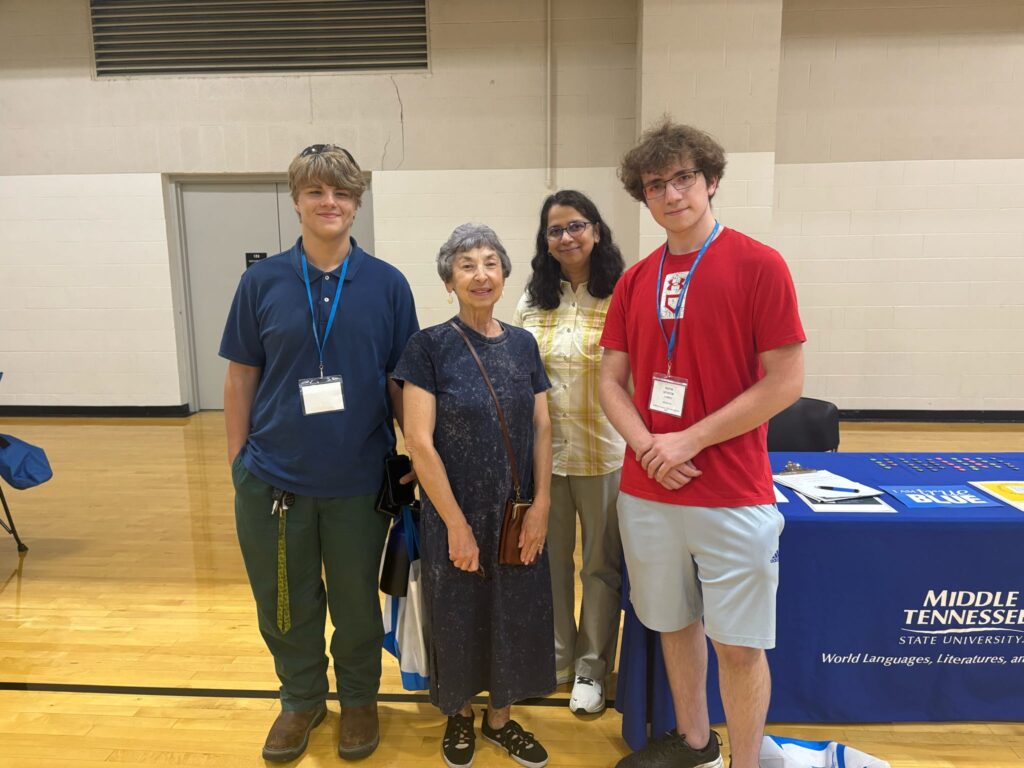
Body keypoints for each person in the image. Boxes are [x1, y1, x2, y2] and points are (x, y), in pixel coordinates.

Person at [599, 119, 805, 768]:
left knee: (738, 646)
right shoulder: (635, 281)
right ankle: (694, 743)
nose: (671, 193)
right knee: (672, 623)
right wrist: (651, 447)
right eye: (656, 183)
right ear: (644, 196)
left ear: (711, 181)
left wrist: (686, 439)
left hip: (730, 491)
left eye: (684, 177)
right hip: (647, 490)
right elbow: (609, 381)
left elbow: (787, 382)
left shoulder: (759, 265)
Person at [220, 144, 418, 762]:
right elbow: (240, 378)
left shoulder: (387, 285)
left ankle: (359, 698)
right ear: (297, 201)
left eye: (341, 193)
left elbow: (399, 380)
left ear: (356, 203)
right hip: (274, 480)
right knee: (285, 599)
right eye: (315, 192)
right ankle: (300, 699)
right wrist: (239, 466)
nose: (329, 202)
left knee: (357, 601)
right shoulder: (262, 282)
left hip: (359, 479)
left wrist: (418, 452)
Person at [394, 223, 555, 768]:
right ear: (449, 281)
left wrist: (542, 507)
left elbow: (542, 428)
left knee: (514, 614)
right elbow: (418, 441)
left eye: (491, 263)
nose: (481, 274)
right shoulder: (428, 347)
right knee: (458, 614)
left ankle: (502, 718)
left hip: (515, 513)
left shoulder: (524, 344)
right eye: (467, 265)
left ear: (504, 275)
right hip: (454, 511)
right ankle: (459, 714)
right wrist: (456, 526)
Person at [512, 190, 626, 715]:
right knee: (550, 564)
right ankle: (555, 660)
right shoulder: (532, 301)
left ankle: (591, 669)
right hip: (546, 458)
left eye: (576, 226)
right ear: (545, 240)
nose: (566, 237)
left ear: (596, 231)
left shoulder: (622, 294)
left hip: (606, 453)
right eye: (555, 230)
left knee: (600, 568)